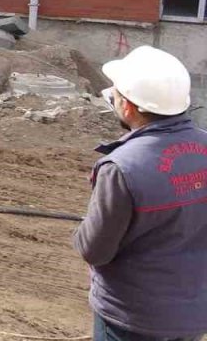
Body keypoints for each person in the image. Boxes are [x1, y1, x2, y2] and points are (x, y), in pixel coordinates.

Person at [74, 46, 207, 341]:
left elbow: (94, 249)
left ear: (128, 107)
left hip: (132, 317)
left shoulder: (121, 166)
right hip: (193, 313)